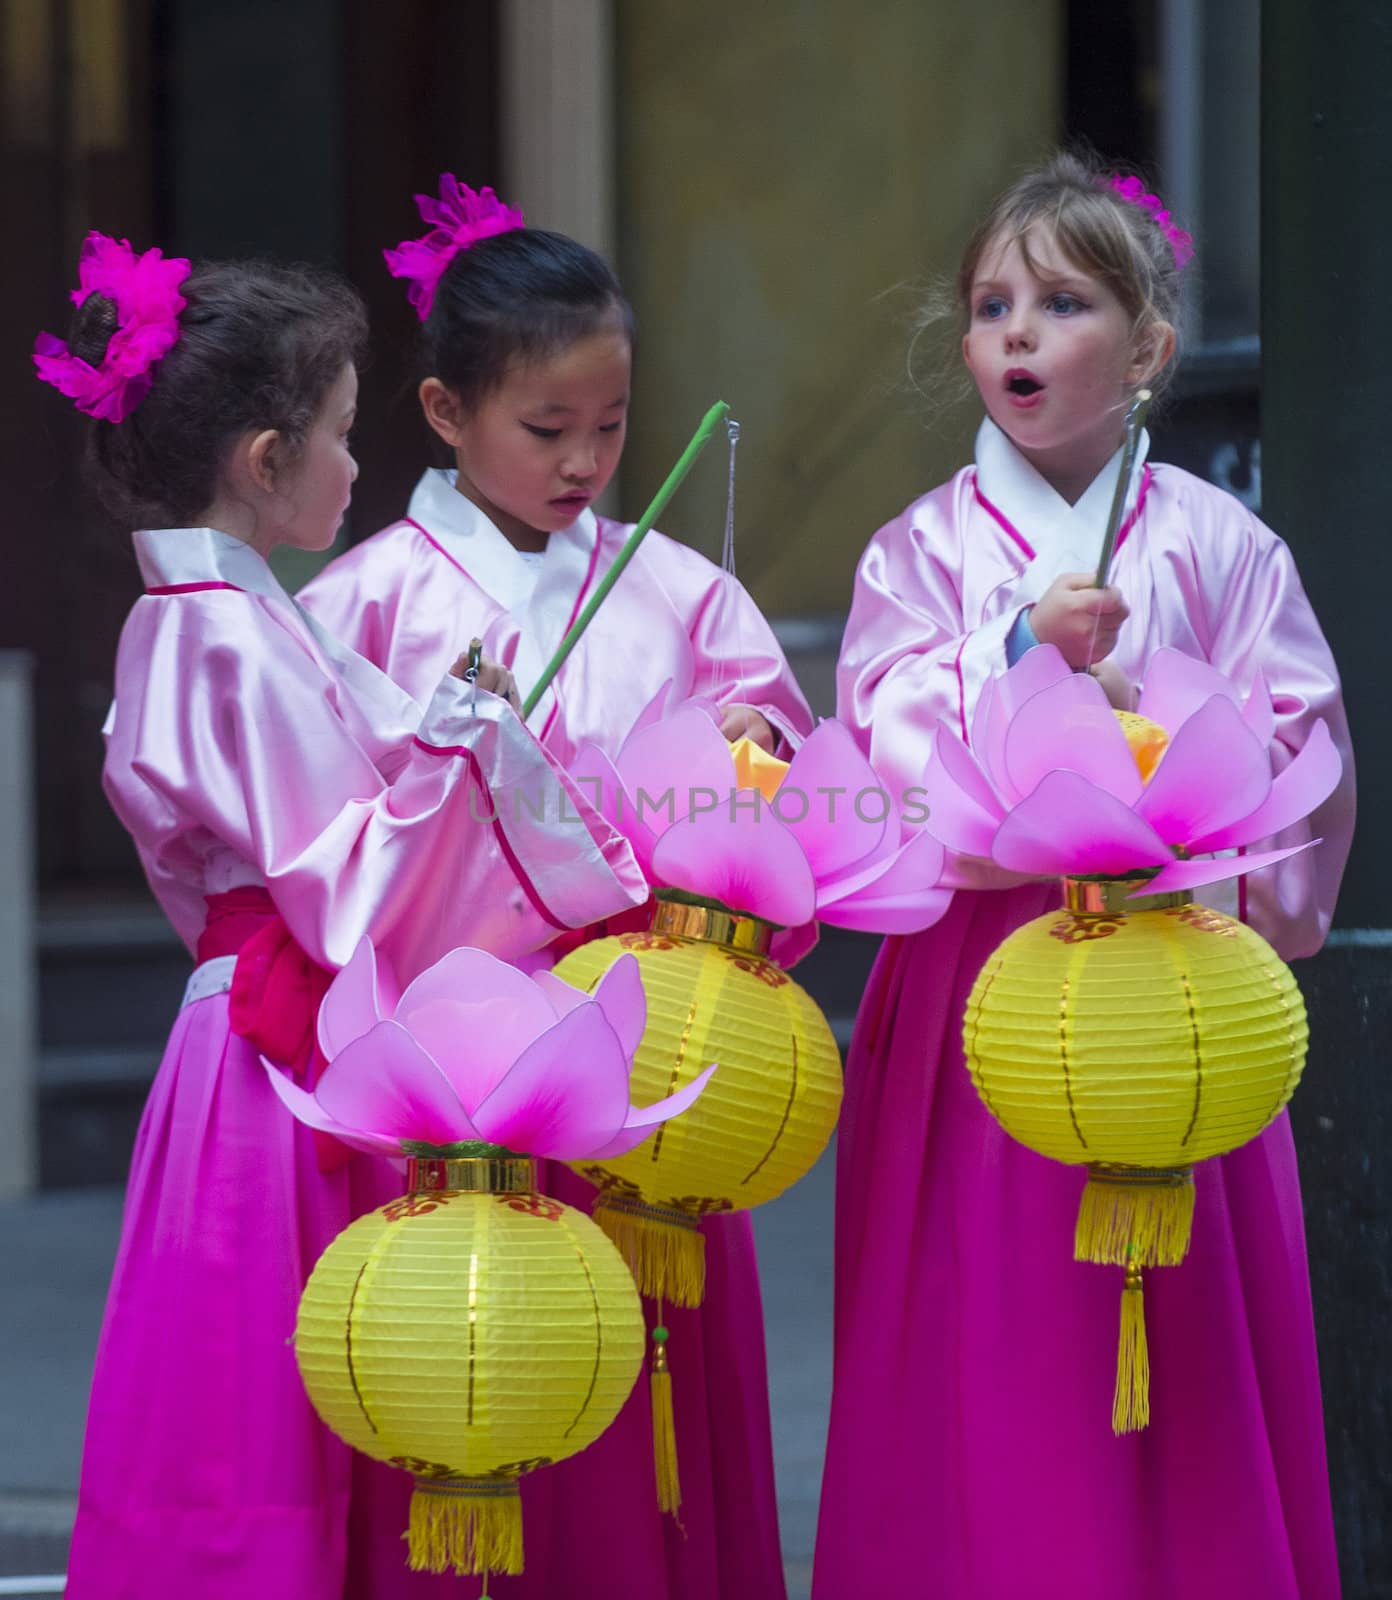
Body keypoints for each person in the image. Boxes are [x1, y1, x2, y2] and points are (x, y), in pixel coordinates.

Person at [36, 232, 646, 1599]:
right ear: (264, 462)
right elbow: (346, 880)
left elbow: (362, 801)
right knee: (271, 1399)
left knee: (279, 1391)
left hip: (280, 1036)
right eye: (336, 434)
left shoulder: (232, 621)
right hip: (283, 1048)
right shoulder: (222, 635)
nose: (356, 467)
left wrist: (456, 733)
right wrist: (471, 753)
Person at [816, 152, 1355, 1600]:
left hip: (1173, 985)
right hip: (982, 989)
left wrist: (1153, 722)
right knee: (978, 1330)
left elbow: (1297, 740)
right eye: (993, 305)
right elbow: (879, 730)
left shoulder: (1222, 542)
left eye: (1061, 302)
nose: (1016, 334)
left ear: (1150, 347)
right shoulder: (921, 553)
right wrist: (1012, 661)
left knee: (1180, 1342)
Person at [299, 178, 810, 1600]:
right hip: (447, 1057)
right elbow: (314, 850)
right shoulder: (363, 606)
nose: (586, 461)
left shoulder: (685, 597)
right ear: (447, 414)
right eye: (546, 429)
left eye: (612, 427)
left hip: (639, 1050)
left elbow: (787, 793)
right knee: (466, 1369)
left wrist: (759, 761)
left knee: (637, 1417)